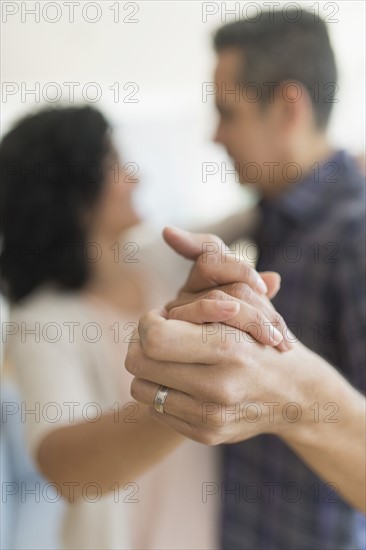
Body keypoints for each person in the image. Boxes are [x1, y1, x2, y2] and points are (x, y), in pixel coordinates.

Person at [126, 9, 366, 550]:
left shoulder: (354, 235)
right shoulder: (273, 219)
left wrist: (296, 398)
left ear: (287, 107)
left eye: (226, 112)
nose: (214, 136)